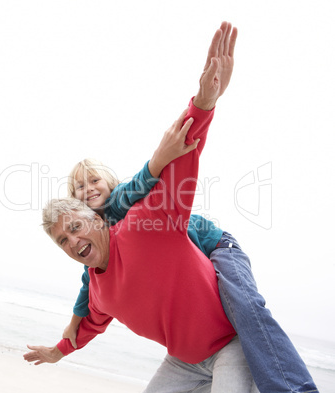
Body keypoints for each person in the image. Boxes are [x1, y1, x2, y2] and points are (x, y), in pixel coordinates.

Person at [61, 32, 318, 393]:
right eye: (79, 189)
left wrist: (193, 116)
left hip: (216, 245)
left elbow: (145, 179)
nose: (88, 191)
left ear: (108, 181)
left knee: (244, 307)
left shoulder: (126, 203)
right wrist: (72, 327)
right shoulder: (96, 242)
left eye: (93, 182)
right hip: (187, 353)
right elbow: (89, 288)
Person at [24, 22, 262, 392]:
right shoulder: (97, 290)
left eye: (74, 228)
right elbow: (87, 322)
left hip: (231, 342)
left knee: (248, 303)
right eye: (62, 240)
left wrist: (203, 103)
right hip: (184, 362)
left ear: (98, 222)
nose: (71, 242)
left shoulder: (142, 222)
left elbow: (181, 160)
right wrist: (59, 350)